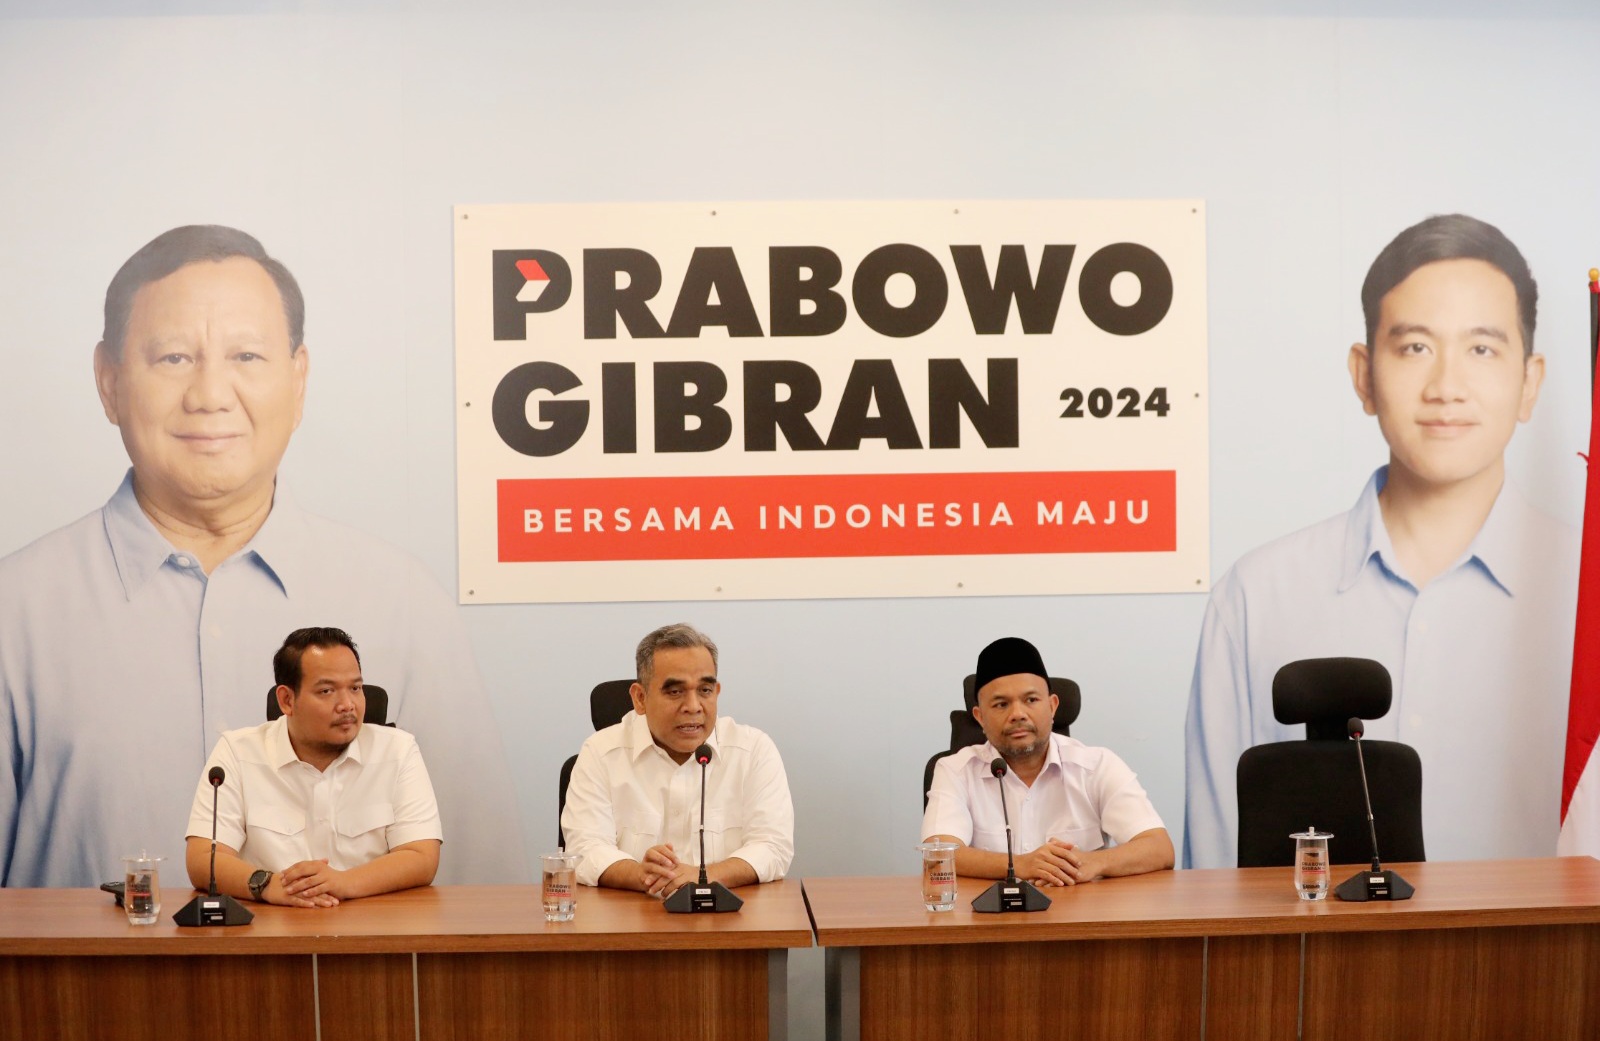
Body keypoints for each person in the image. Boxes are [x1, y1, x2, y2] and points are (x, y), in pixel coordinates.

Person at [0, 225, 525, 888]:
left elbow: (482, 888)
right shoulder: (15, 610)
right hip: (81, 994)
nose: (210, 394)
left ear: (298, 378)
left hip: (336, 991)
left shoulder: (401, 602)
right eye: (172, 358)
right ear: (108, 381)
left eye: (246, 356)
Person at [1183, 214, 1580, 869]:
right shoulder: (1257, 596)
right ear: (1364, 374)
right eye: (1415, 346)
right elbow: (1216, 871)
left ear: (1530, 380)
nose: (1445, 386)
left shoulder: (1583, 589)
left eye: (1481, 348)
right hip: (1316, 973)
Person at [185, 628, 441, 905]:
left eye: (355, 688)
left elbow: (421, 856)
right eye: (327, 691)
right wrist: (268, 885)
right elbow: (203, 859)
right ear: (287, 700)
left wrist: (342, 882)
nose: (347, 705)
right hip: (270, 928)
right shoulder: (237, 752)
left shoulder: (398, 750)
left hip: (369, 928)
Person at [560, 623, 794, 896]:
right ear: (640, 698)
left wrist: (702, 877)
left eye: (705, 691)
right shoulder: (600, 753)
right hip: (632, 926)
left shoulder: (754, 751)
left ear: (717, 693)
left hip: (731, 927)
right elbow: (584, 848)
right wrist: (640, 874)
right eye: (675, 692)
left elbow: (773, 847)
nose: (693, 706)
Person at [923, 637, 1173, 885]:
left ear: (1052, 706)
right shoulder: (955, 770)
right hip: (989, 920)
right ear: (980, 717)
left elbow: (1159, 848)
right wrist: (1021, 865)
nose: (1017, 714)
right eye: (1001, 704)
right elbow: (937, 857)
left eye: (1031, 700)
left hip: (1079, 918)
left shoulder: (1097, 765)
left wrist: (1092, 863)